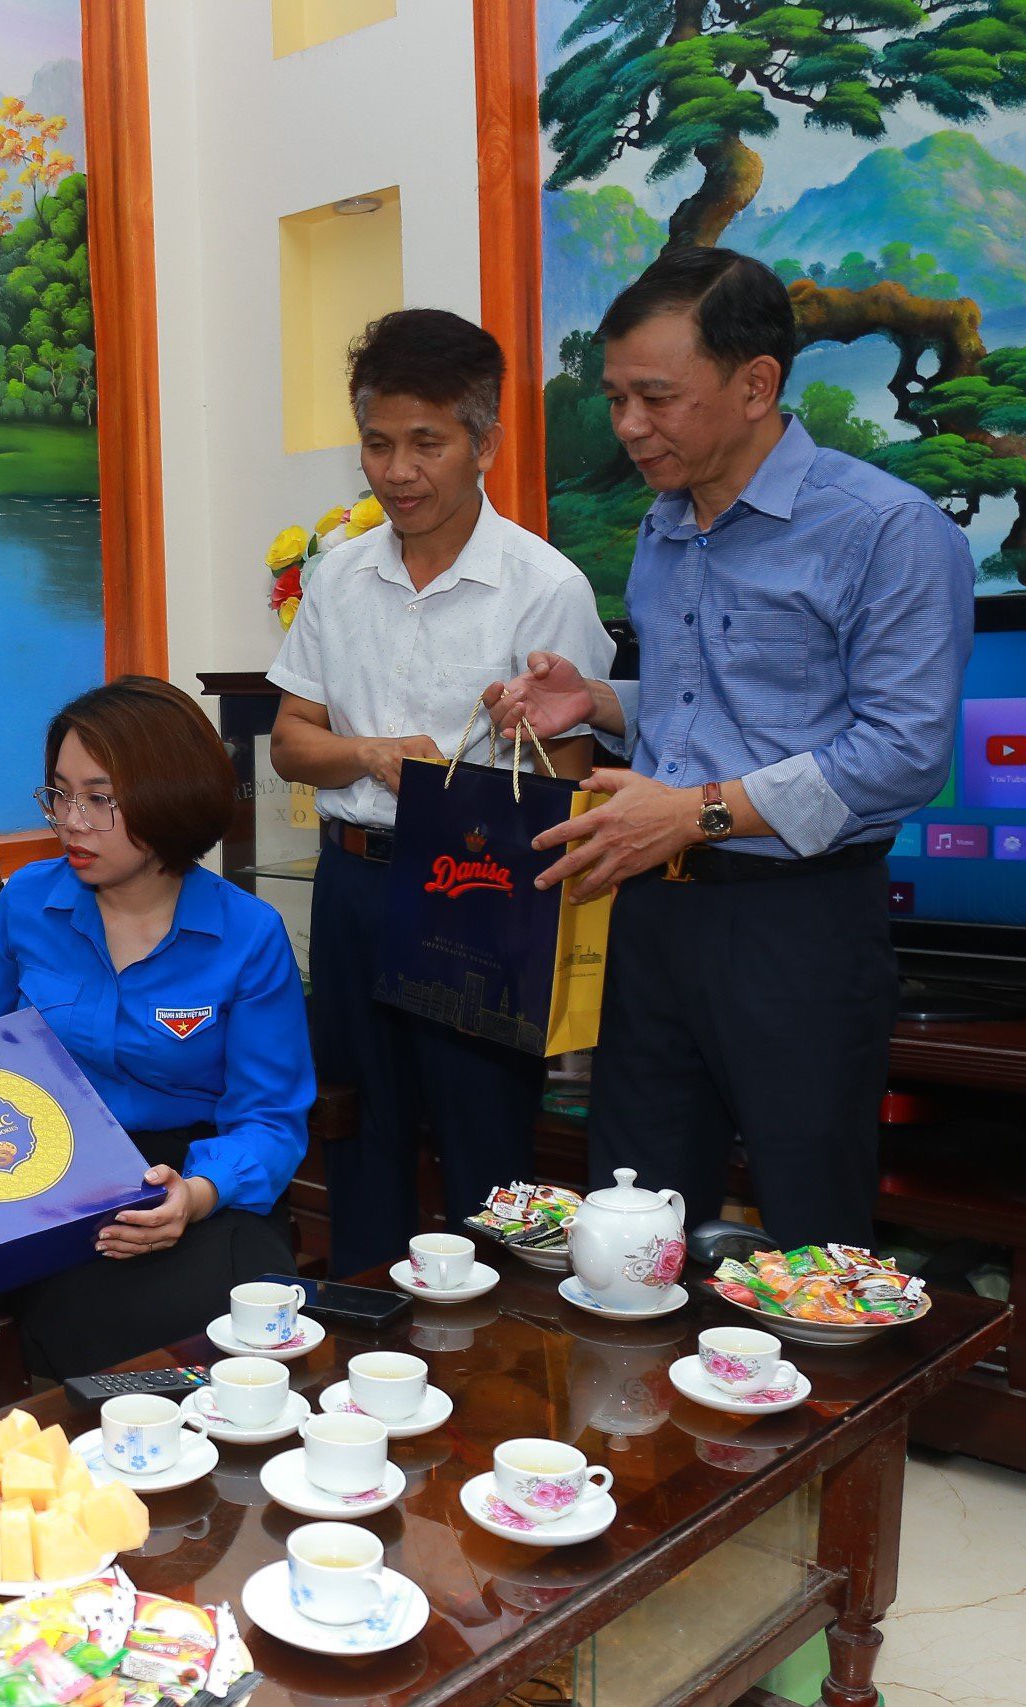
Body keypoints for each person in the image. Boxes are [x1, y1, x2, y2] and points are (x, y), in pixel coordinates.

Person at [487, 247, 973, 1249]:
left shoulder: (887, 531)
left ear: (756, 384)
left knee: (810, 1234)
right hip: (654, 918)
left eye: (656, 398)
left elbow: (902, 751)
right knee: (635, 1222)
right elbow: (709, 708)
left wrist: (694, 811)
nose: (629, 426)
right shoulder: (664, 527)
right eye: (616, 398)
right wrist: (597, 703)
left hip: (797, 926)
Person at [266, 309, 613, 1278]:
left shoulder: (544, 587)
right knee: (357, 1135)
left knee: (485, 1156)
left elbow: (577, 782)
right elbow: (291, 743)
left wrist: (513, 749)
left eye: (427, 443)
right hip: (354, 888)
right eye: (378, 444)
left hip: (480, 896)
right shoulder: (337, 578)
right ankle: (365, 1339)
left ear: (484, 444)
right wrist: (369, 755)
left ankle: (491, 1352)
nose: (398, 471)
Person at [0, 678, 315, 1379]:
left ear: (169, 798)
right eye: (60, 794)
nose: (71, 822)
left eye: (99, 799)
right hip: (55, 1177)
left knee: (236, 1315)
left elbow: (270, 1121)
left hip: (203, 1174)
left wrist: (195, 1196)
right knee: (84, 1315)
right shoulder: (27, 902)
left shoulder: (248, 934)